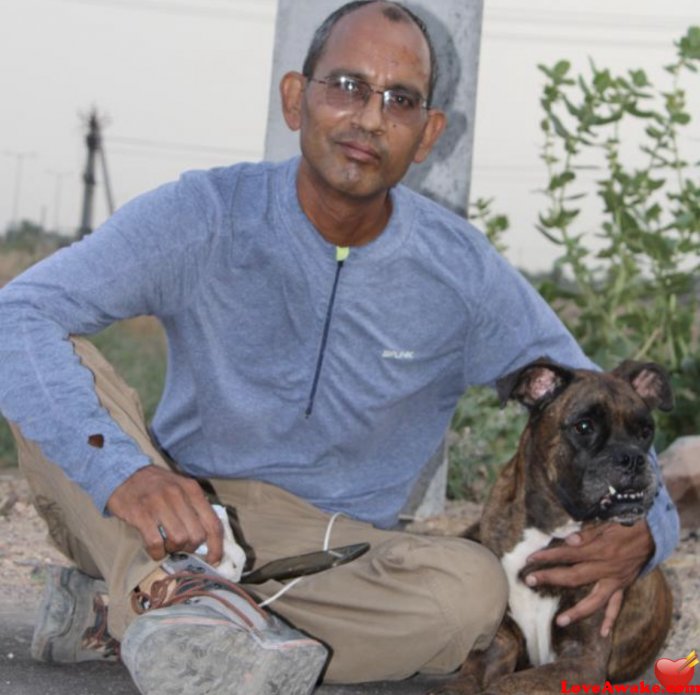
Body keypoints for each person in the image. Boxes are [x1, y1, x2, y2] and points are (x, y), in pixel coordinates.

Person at [0, 2, 679, 694]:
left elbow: (597, 396)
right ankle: (172, 593)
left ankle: (146, 609)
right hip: (173, 504)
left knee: (471, 594)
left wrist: (650, 530)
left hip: (331, 551)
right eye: (348, 86)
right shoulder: (205, 214)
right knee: (52, 363)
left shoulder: (462, 274)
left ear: (427, 134)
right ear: (296, 98)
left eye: (401, 100)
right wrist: (127, 476)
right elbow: (15, 314)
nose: (370, 118)